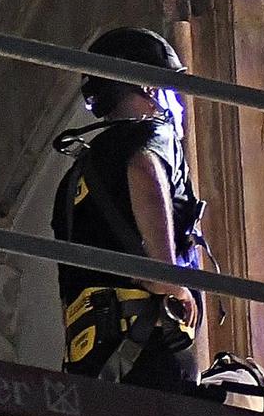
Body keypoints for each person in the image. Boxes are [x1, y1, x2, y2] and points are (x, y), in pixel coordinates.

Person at [51, 26, 208, 393]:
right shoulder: (152, 134)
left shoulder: (75, 178)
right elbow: (144, 168)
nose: (179, 104)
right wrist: (167, 276)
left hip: (92, 361)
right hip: (147, 348)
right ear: (151, 87)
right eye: (171, 88)